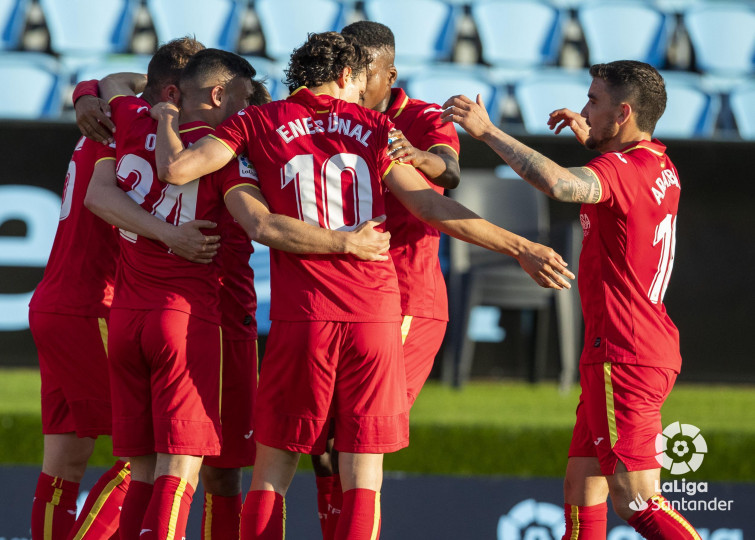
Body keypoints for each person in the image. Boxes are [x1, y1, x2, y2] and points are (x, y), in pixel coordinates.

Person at [149, 31, 573, 539]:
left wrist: (166, 116)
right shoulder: (375, 127)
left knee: (273, 470)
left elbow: (180, 171)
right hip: (375, 313)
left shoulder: (256, 121)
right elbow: (433, 206)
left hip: (304, 314)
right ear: (347, 77)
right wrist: (520, 247)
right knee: (363, 475)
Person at [96, 44, 390, 540]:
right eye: (242, 95)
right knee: (188, 466)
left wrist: (141, 104)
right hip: (194, 318)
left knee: (141, 469)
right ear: (217, 94)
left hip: (126, 316)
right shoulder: (227, 149)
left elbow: (110, 88)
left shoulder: (129, 118)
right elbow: (256, 220)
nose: (249, 104)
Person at [443, 60, 700, 539]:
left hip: (624, 354)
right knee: (582, 487)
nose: (584, 108)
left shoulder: (620, 170)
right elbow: (616, 183)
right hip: (638, 345)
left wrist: (489, 133)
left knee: (636, 497)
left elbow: (562, 185)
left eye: (593, 101)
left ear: (622, 113)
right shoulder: (658, 162)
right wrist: (593, 140)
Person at [27, 71, 215, 540]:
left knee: (64, 463)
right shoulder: (136, 136)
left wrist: (86, 92)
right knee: (143, 454)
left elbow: (116, 78)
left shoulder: (110, 119)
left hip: (57, 302)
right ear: (173, 93)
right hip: (97, 304)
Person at [307, 21, 463, 538]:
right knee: (322, 444)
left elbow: (448, 170)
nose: (347, 80)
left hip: (404, 299)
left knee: (358, 442)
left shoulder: (421, 117)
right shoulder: (330, 114)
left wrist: (422, 159)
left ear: (389, 73)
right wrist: (86, 88)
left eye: (360, 72)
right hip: (343, 299)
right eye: (341, 70)